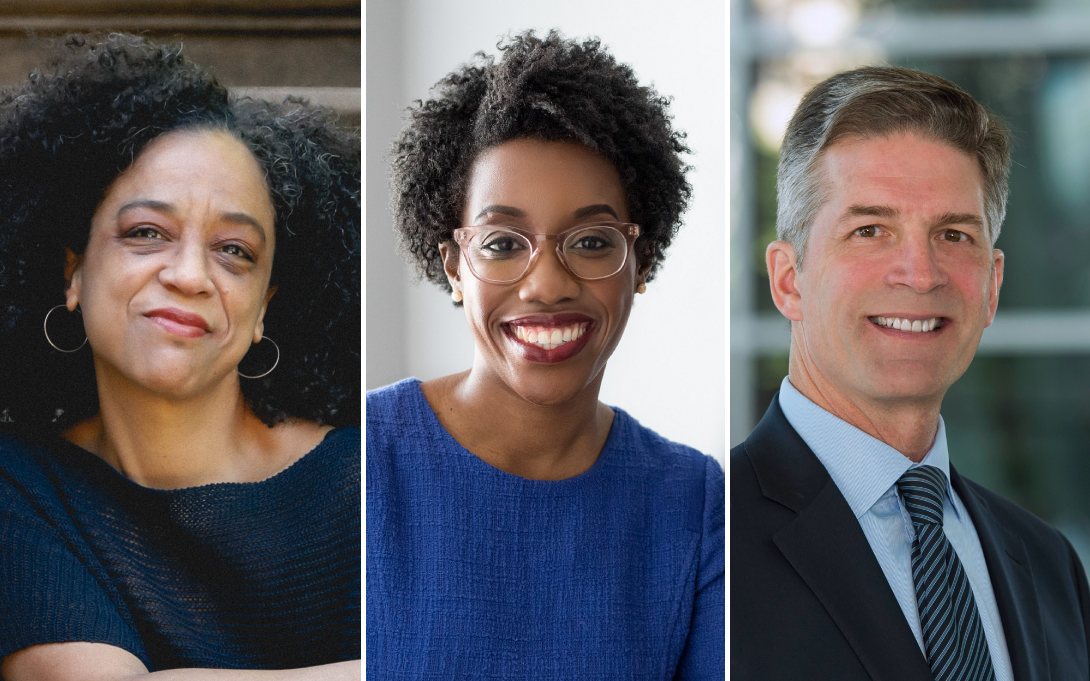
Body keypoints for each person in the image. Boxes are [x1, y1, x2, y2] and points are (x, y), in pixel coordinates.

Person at [0, 35, 360, 679]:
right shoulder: (20, 486)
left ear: (264, 310)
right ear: (73, 271)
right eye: (146, 233)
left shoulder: (370, 482)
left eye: (235, 251)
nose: (191, 275)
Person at [367, 31, 724, 679]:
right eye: (504, 243)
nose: (548, 284)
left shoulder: (695, 505)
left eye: (591, 241)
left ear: (639, 261)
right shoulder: (361, 459)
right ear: (453, 266)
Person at [731, 66, 1090, 679]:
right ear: (789, 280)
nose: (921, 274)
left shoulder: (1048, 562)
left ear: (993, 285)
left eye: (953, 234)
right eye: (870, 230)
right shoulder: (698, 541)